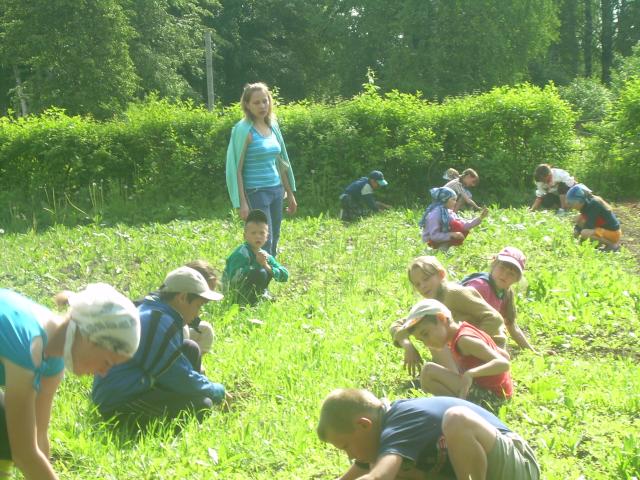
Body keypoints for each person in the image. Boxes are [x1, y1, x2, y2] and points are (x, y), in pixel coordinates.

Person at [0, 284, 140, 480]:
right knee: (6, 422)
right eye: (107, 362)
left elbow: (39, 437)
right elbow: (23, 452)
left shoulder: (52, 362)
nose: (103, 373)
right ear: (91, 338)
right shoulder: (30, 348)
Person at [92, 267, 227, 427]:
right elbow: (178, 375)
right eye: (198, 306)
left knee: (189, 348)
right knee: (201, 405)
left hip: (140, 381)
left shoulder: (156, 311)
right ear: (182, 298)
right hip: (121, 402)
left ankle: (192, 396)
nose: (197, 314)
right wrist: (215, 391)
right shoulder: (157, 322)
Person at [317, 388, 540, 480]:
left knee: (457, 419)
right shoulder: (381, 439)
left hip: (516, 466)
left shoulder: (401, 418)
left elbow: (380, 476)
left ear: (364, 425)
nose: (350, 456)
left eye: (345, 446)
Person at [390, 256, 506, 377]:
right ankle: (453, 378)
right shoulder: (429, 306)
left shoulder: (454, 294)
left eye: (426, 279)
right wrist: (407, 345)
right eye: (418, 284)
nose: (422, 286)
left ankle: (456, 380)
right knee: (433, 334)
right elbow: (397, 325)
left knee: (437, 336)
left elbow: (494, 318)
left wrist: (471, 340)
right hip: (464, 351)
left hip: (489, 350)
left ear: (441, 274)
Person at [225, 82, 297, 257]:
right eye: (256, 102)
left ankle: (268, 275)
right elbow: (237, 170)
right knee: (264, 239)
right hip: (256, 192)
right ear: (247, 105)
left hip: (276, 190)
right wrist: (242, 202)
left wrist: (290, 193)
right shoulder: (244, 131)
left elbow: (281, 163)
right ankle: (257, 278)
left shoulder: (273, 126)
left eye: (265, 101)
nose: (262, 106)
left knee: (275, 236)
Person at [395, 299, 513, 400]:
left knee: (428, 371)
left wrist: (470, 374)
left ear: (441, 318)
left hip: (492, 397)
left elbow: (503, 363)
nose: (426, 343)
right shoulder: (463, 331)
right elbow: (504, 354)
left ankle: (457, 408)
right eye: (421, 340)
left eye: (425, 334)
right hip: (494, 392)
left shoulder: (464, 340)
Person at [461, 247, 537, 352]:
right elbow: (459, 313)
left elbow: (511, 325)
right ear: (494, 265)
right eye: (502, 268)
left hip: (477, 335)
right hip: (460, 333)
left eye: (511, 273)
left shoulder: (505, 293)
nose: (505, 275)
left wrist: (532, 351)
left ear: (516, 279)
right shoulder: (481, 286)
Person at [222, 209, 289, 305]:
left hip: (252, 288)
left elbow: (285, 275)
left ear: (267, 237)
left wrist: (266, 266)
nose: (258, 236)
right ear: (245, 236)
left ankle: (260, 295)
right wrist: (256, 265)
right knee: (259, 272)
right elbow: (234, 278)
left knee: (265, 270)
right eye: (253, 233)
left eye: (262, 233)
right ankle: (247, 301)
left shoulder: (264, 255)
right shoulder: (241, 253)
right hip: (234, 292)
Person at [419, 187, 488, 251]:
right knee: (455, 226)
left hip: (441, 239)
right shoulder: (434, 214)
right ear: (445, 199)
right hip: (429, 243)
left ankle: (445, 247)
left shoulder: (448, 212)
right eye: (453, 199)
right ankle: (438, 250)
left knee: (457, 224)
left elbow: (464, 225)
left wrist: (480, 217)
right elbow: (434, 236)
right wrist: (452, 234)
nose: (455, 202)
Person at [566, 184, 622, 251]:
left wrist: (579, 241)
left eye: (572, 202)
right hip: (604, 229)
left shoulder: (594, 205)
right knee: (580, 219)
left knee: (584, 233)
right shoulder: (587, 203)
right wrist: (576, 230)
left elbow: (589, 226)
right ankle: (599, 244)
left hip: (613, 234)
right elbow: (582, 221)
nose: (571, 206)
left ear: (580, 200)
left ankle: (613, 245)